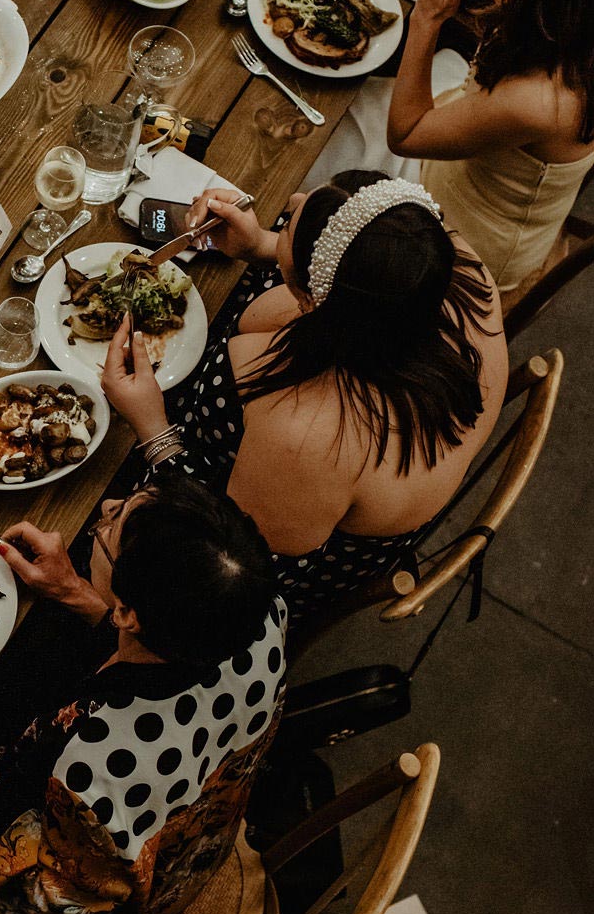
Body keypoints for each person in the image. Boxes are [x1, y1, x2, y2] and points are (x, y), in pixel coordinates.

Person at [101, 173, 507, 627]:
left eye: (289, 222)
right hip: (303, 485)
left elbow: (220, 556)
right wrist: (265, 245)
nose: (290, 199)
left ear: (315, 302)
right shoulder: (442, 267)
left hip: (249, 569)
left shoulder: (310, 433)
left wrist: (153, 427)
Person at [0, 477, 286, 914]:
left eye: (111, 526)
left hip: (99, 909)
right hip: (192, 816)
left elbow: (47, 899)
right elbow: (165, 650)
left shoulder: (95, 762)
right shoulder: (257, 609)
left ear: (128, 615)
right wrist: (74, 591)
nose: (105, 507)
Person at [384, 0, 594, 295]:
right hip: (471, 134)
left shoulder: (538, 100)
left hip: (457, 238)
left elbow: (405, 135)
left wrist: (428, 15)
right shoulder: (574, 7)